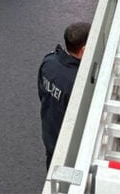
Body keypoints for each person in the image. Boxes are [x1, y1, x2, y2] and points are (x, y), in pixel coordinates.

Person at [38, 21, 90, 169]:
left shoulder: (49, 61)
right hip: (67, 145)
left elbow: (41, 93)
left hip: (50, 135)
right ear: (84, 50)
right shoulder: (78, 81)